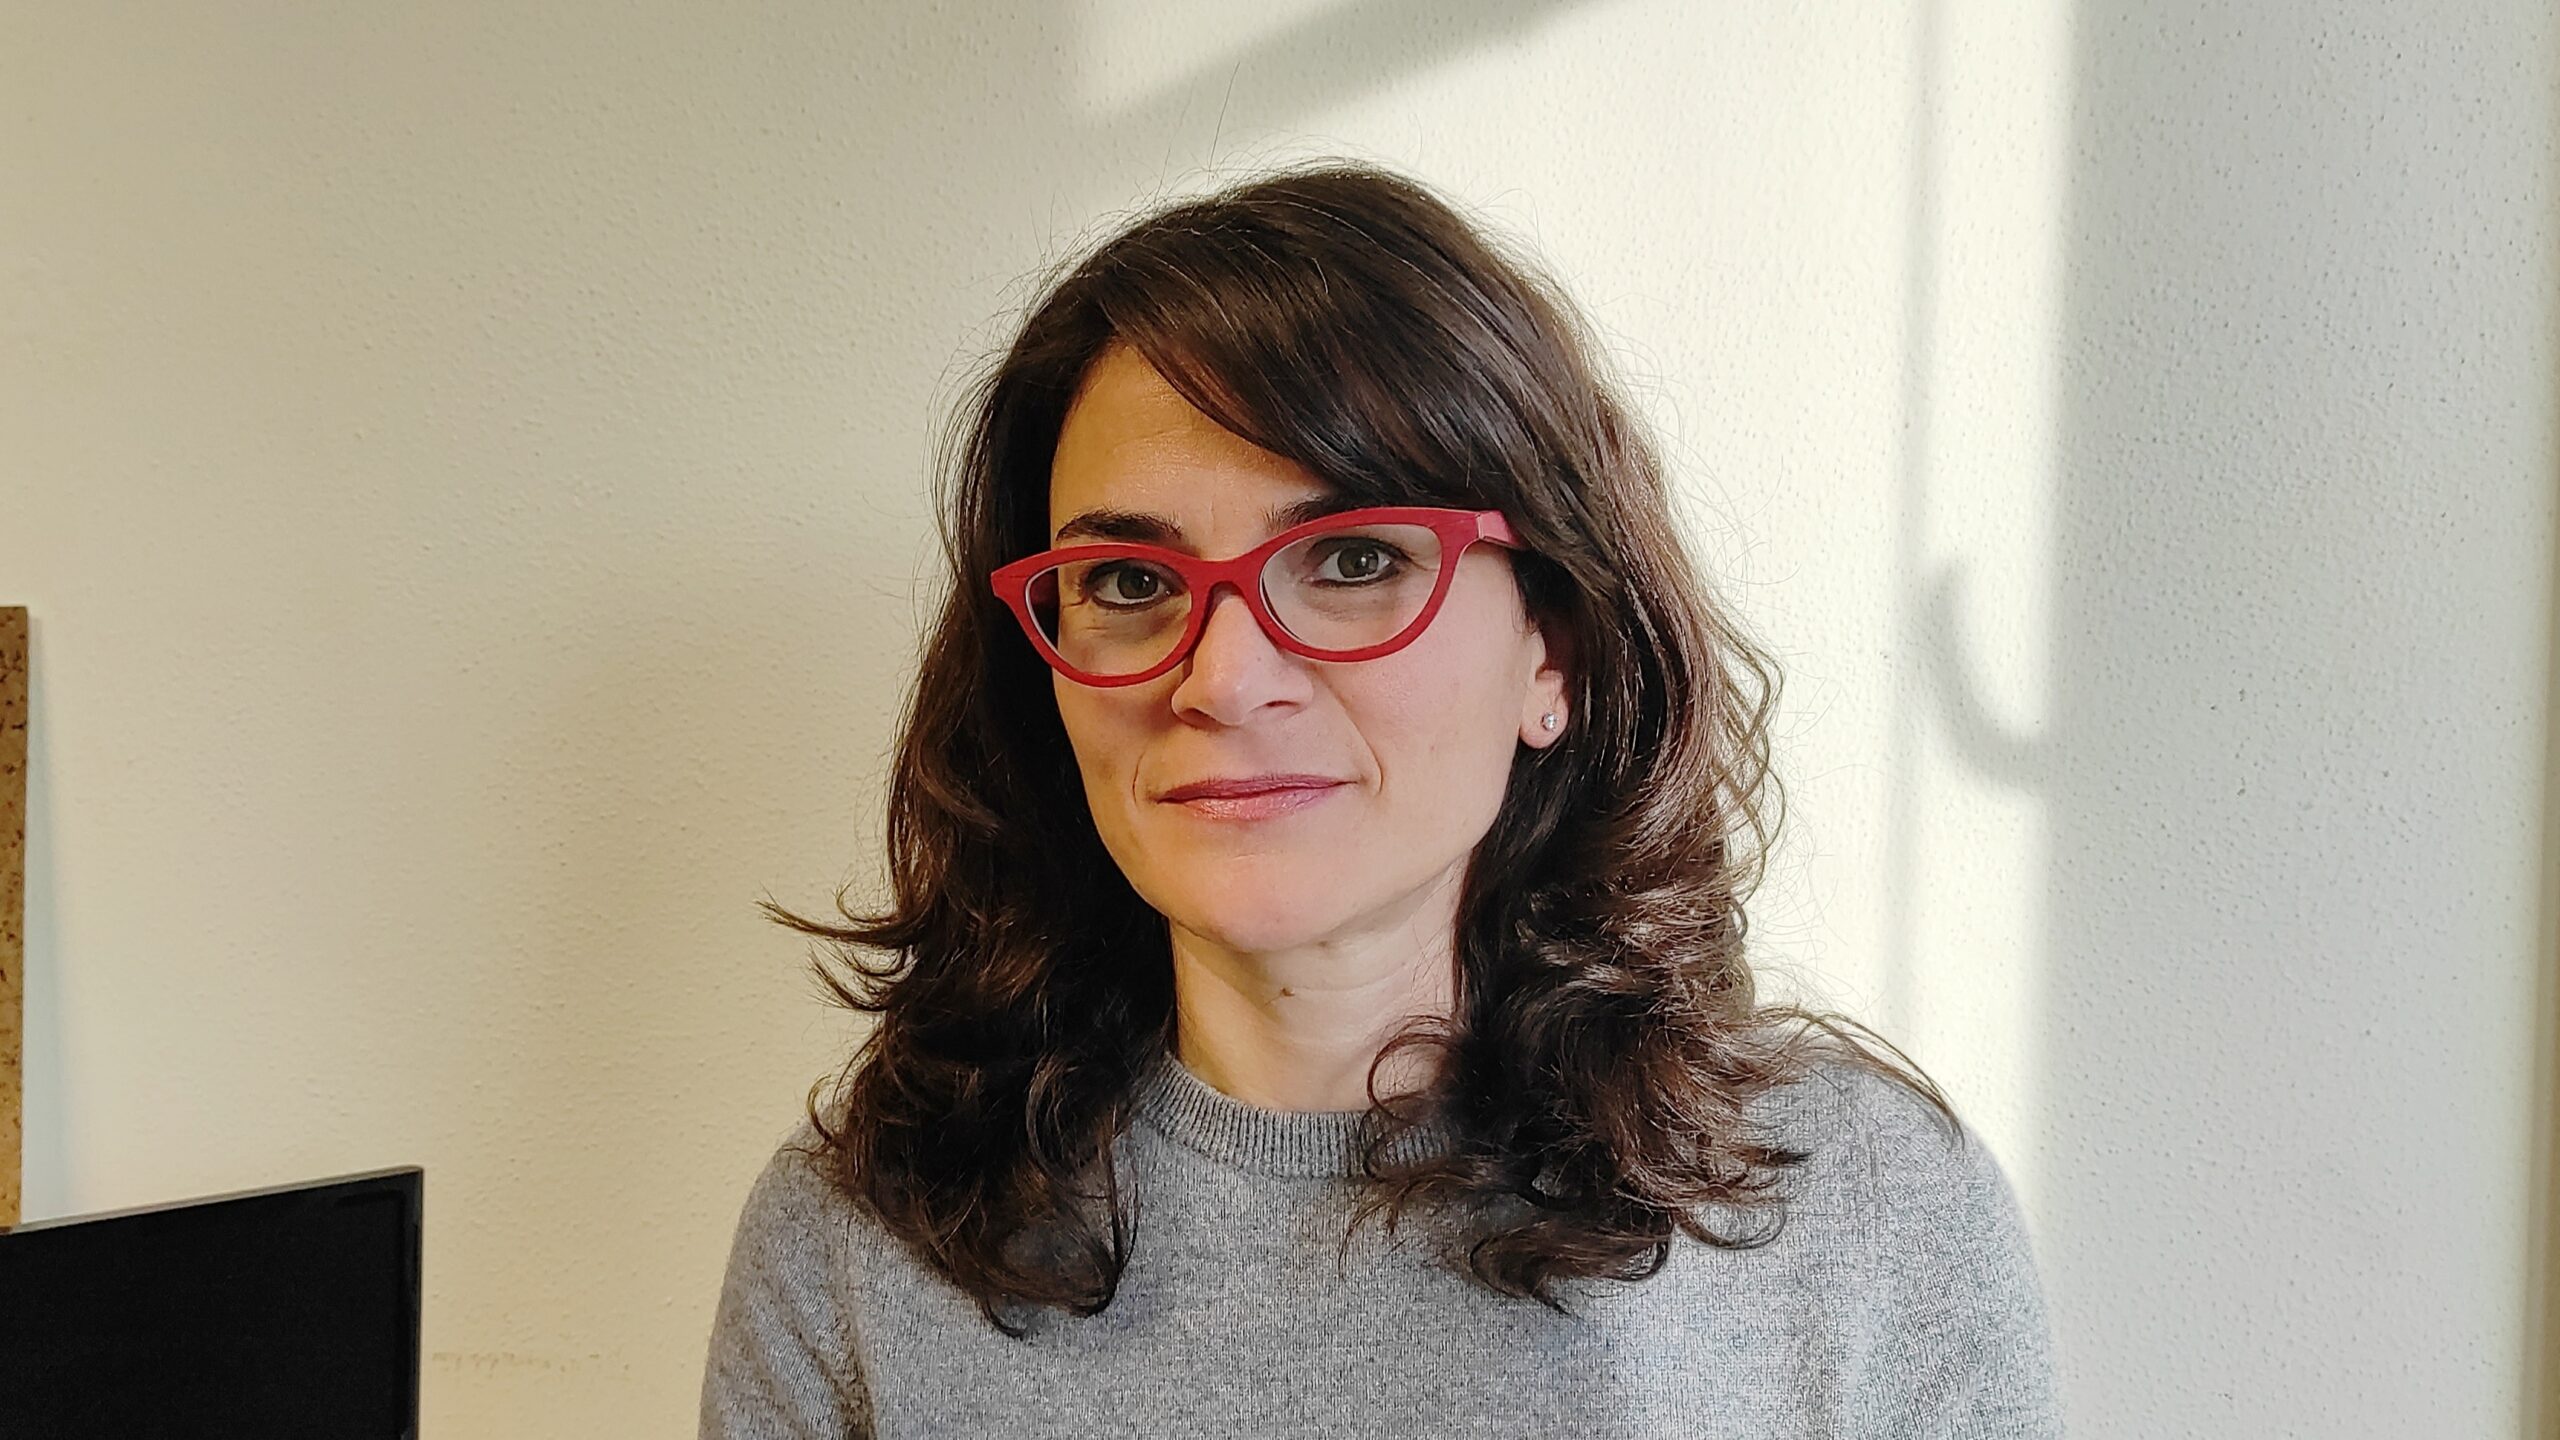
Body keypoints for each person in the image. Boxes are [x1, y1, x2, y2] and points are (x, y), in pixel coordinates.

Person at [698, 161, 2064, 1438]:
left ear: (1556, 648)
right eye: (1127, 583)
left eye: (1352, 560)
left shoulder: (1864, 1214)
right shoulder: (854, 1249)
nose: (1224, 679)